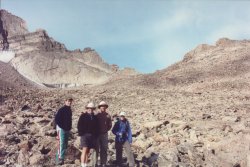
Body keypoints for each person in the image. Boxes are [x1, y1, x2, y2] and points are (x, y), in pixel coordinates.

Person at [77, 102, 99, 167]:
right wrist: (82, 133)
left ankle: (85, 165)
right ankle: (82, 165)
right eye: (89, 108)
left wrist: (95, 135)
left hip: (92, 136)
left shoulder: (95, 117)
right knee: (84, 150)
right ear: (87, 108)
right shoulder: (83, 116)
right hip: (85, 135)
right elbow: (79, 125)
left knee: (87, 151)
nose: (90, 109)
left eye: (92, 108)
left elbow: (97, 127)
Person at [55, 97, 73, 165]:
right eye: (68, 101)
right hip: (61, 129)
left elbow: (69, 120)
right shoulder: (61, 110)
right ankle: (60, 159)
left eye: (70, 101)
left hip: (67, 129)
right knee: (61, 143)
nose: (69, 102)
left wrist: (69, 127)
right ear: (65, 101)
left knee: (65, 144)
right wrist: (62, 127)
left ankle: (60, 158)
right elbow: (57, 119)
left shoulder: (69, 110)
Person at [96, 101, 112, 167]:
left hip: (104, 134)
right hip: (97, 134)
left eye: (104, 106)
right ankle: (95, 163)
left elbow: (110, 125)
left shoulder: (108, 115)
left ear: (106, 107)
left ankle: (103, 163)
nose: (103, 107)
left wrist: (105, 130)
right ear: (100, 107)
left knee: (104, 149)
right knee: (96, 149)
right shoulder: (96, 115)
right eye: (102, 106)